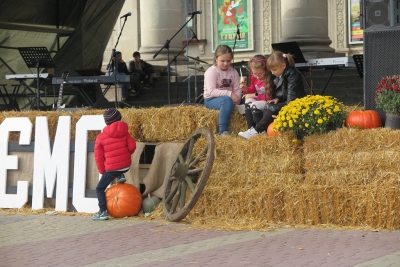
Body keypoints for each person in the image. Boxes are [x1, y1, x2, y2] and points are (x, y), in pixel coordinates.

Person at [238, 51, 306, 139]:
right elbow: (282, 92)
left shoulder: (292, 74)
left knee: (271, 107)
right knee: (269, 105)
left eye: (274, 70)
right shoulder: (280, 74)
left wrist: (278, 101)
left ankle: (256, 131)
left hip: (294, 102)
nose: (272, 73)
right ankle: (261, 131)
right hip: (287, 100)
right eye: (271, 70)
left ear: (283, 66)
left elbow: (291, 96)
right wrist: (277, 99)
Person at [92, 108, 136, 220]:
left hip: (112, 169)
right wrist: (126, 153)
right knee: (119, 169)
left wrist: (103, 172)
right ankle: (120, 175)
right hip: (125, 166)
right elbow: (132, 147)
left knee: (100, 188)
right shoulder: (125, 132)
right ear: (119, 118)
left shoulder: (101, 137)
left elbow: (99, 157)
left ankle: (102, 212)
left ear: (106, 122)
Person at [203, 45, 241, 136]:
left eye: (228, 61)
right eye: (222, 61)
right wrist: (230, 94)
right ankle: (223, 131)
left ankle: (252, 129)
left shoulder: (233, 71)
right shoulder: (211, 71)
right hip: (212, 99)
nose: (225, 63)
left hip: (230, 98)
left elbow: (237, 88)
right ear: (216, 58)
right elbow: (212, 91)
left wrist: (238, 98)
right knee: (226, 101)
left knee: (248, 100)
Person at [238, 55, 275, 138]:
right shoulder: (254, 77)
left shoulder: (269, 78)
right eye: (254, 73)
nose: (257, 76)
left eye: (261, 74)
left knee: (254, 105)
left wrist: (254, 95)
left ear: (266, 70)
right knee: (248, 101)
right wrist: (246, 89)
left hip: (268, 101)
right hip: (260, 99)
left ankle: (260, 131)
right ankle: (250, 128)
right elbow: (253, 89)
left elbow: (269, 95)